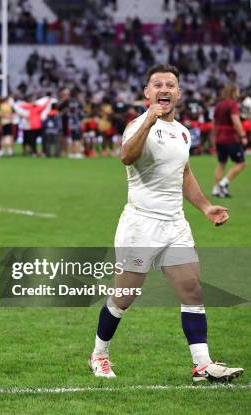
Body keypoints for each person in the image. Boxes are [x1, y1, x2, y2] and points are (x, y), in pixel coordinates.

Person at [89, 65, 243, 382]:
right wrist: (149, 118)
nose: (164, 89)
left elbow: (183, 174)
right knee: (124, 296)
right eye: (157, 84)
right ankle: (99, 354)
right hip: (141, 224)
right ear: (147, 92)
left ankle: (201, 365)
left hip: (175, 224)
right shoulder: (137, 126)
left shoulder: (183, 132)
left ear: (178, 93)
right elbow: (126, 157)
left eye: (170, 85)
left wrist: (205, 207)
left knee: (192, 289)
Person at [211, 84, 247, 198]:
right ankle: (223, 183)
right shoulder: (232, 104)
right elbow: (236, 121)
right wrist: (243, 135)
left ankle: (215, 189)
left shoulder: (218, 105)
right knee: (241, 163)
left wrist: (213, 137)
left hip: (219, 138)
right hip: (230, 138)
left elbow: (213, 123)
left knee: (222, 163)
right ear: (233, 92)